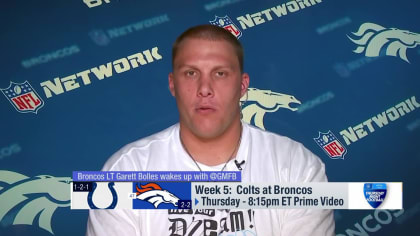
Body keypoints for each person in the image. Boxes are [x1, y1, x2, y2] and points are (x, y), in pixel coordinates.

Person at [86, 24, 335, 236]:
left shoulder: (297, 166)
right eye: (191, 73)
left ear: (243, 85)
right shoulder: (123, 172)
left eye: (220, 73)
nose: (205, 88)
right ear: (173, 85)